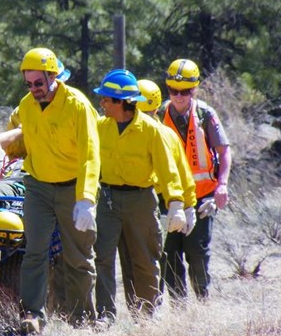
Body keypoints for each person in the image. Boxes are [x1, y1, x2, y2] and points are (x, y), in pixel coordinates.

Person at [16, 47, 100, 334]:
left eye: (38, 83)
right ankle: (32, 315)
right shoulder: (26, 106)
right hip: (38, 186)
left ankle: (81, 319)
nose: (34, 89)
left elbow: (91, 154)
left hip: (72, 189)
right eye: (28, 84)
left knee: (77, 256)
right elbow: (23, 139)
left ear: (53, 76)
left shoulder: (78, 105)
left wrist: (86, 198)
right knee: (34, 251)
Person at [93, 69, 186, 320]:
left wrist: (176, 202)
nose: (101, 103)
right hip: (108, 200)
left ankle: (147, 313)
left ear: (122, 102)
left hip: (141, 200)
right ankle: (105, 315)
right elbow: (89, 163)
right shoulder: (100, 127)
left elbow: (168, 170)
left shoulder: (150, 130)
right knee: (102, 257)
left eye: (106, 99)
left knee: (145, 259)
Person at [157, 59, 232, 300]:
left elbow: (223, 151)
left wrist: (222, 185)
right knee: (169, 253)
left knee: (197, 252)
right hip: (168, 198)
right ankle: (179, 305)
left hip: (202, 197)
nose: (178, 96)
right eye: (173, 91)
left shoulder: (205, 114)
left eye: (185, 91)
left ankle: (203, 300)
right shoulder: (159, 114)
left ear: (194, 89)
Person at [136, 79, 198, 298]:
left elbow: (182, 173)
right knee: (152, 257)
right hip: (146, 201)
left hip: (160, 201)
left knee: (162, 255)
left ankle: (162, 303)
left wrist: (188, 206)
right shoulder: (163, 134)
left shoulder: (165, 135)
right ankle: (151, 304)